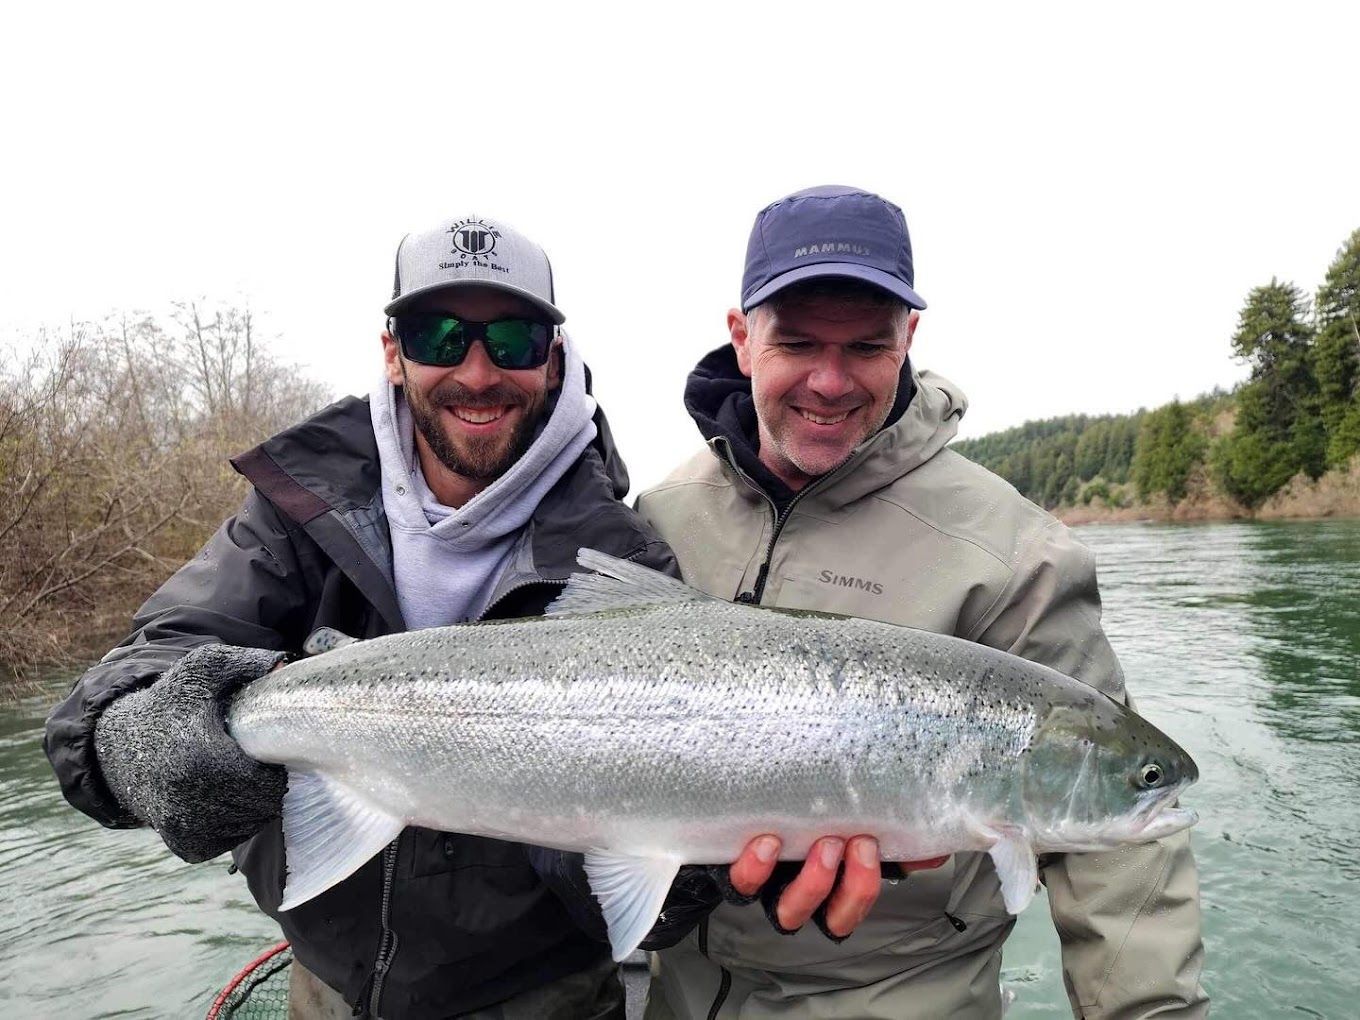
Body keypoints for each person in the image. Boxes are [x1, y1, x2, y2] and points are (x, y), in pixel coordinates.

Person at [43, 214, 676, 1020]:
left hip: (545, 994)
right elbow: (141, 669)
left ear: (552, 361)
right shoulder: (297, 511)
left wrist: (691, 862)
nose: (477, 372)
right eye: (438, 334)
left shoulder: (624, 559)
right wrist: (136, 739)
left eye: (512, 340)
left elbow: (655, 898)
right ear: (392, 351)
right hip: (330, 985)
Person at [631, 186, 1208, 1018]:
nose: (830, 382)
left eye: (866, 346)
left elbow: (1121, 867)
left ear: (908, 339)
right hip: (680, 999)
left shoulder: (1016, 553)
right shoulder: (660, 516)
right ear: (742, 338)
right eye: (796, 342)